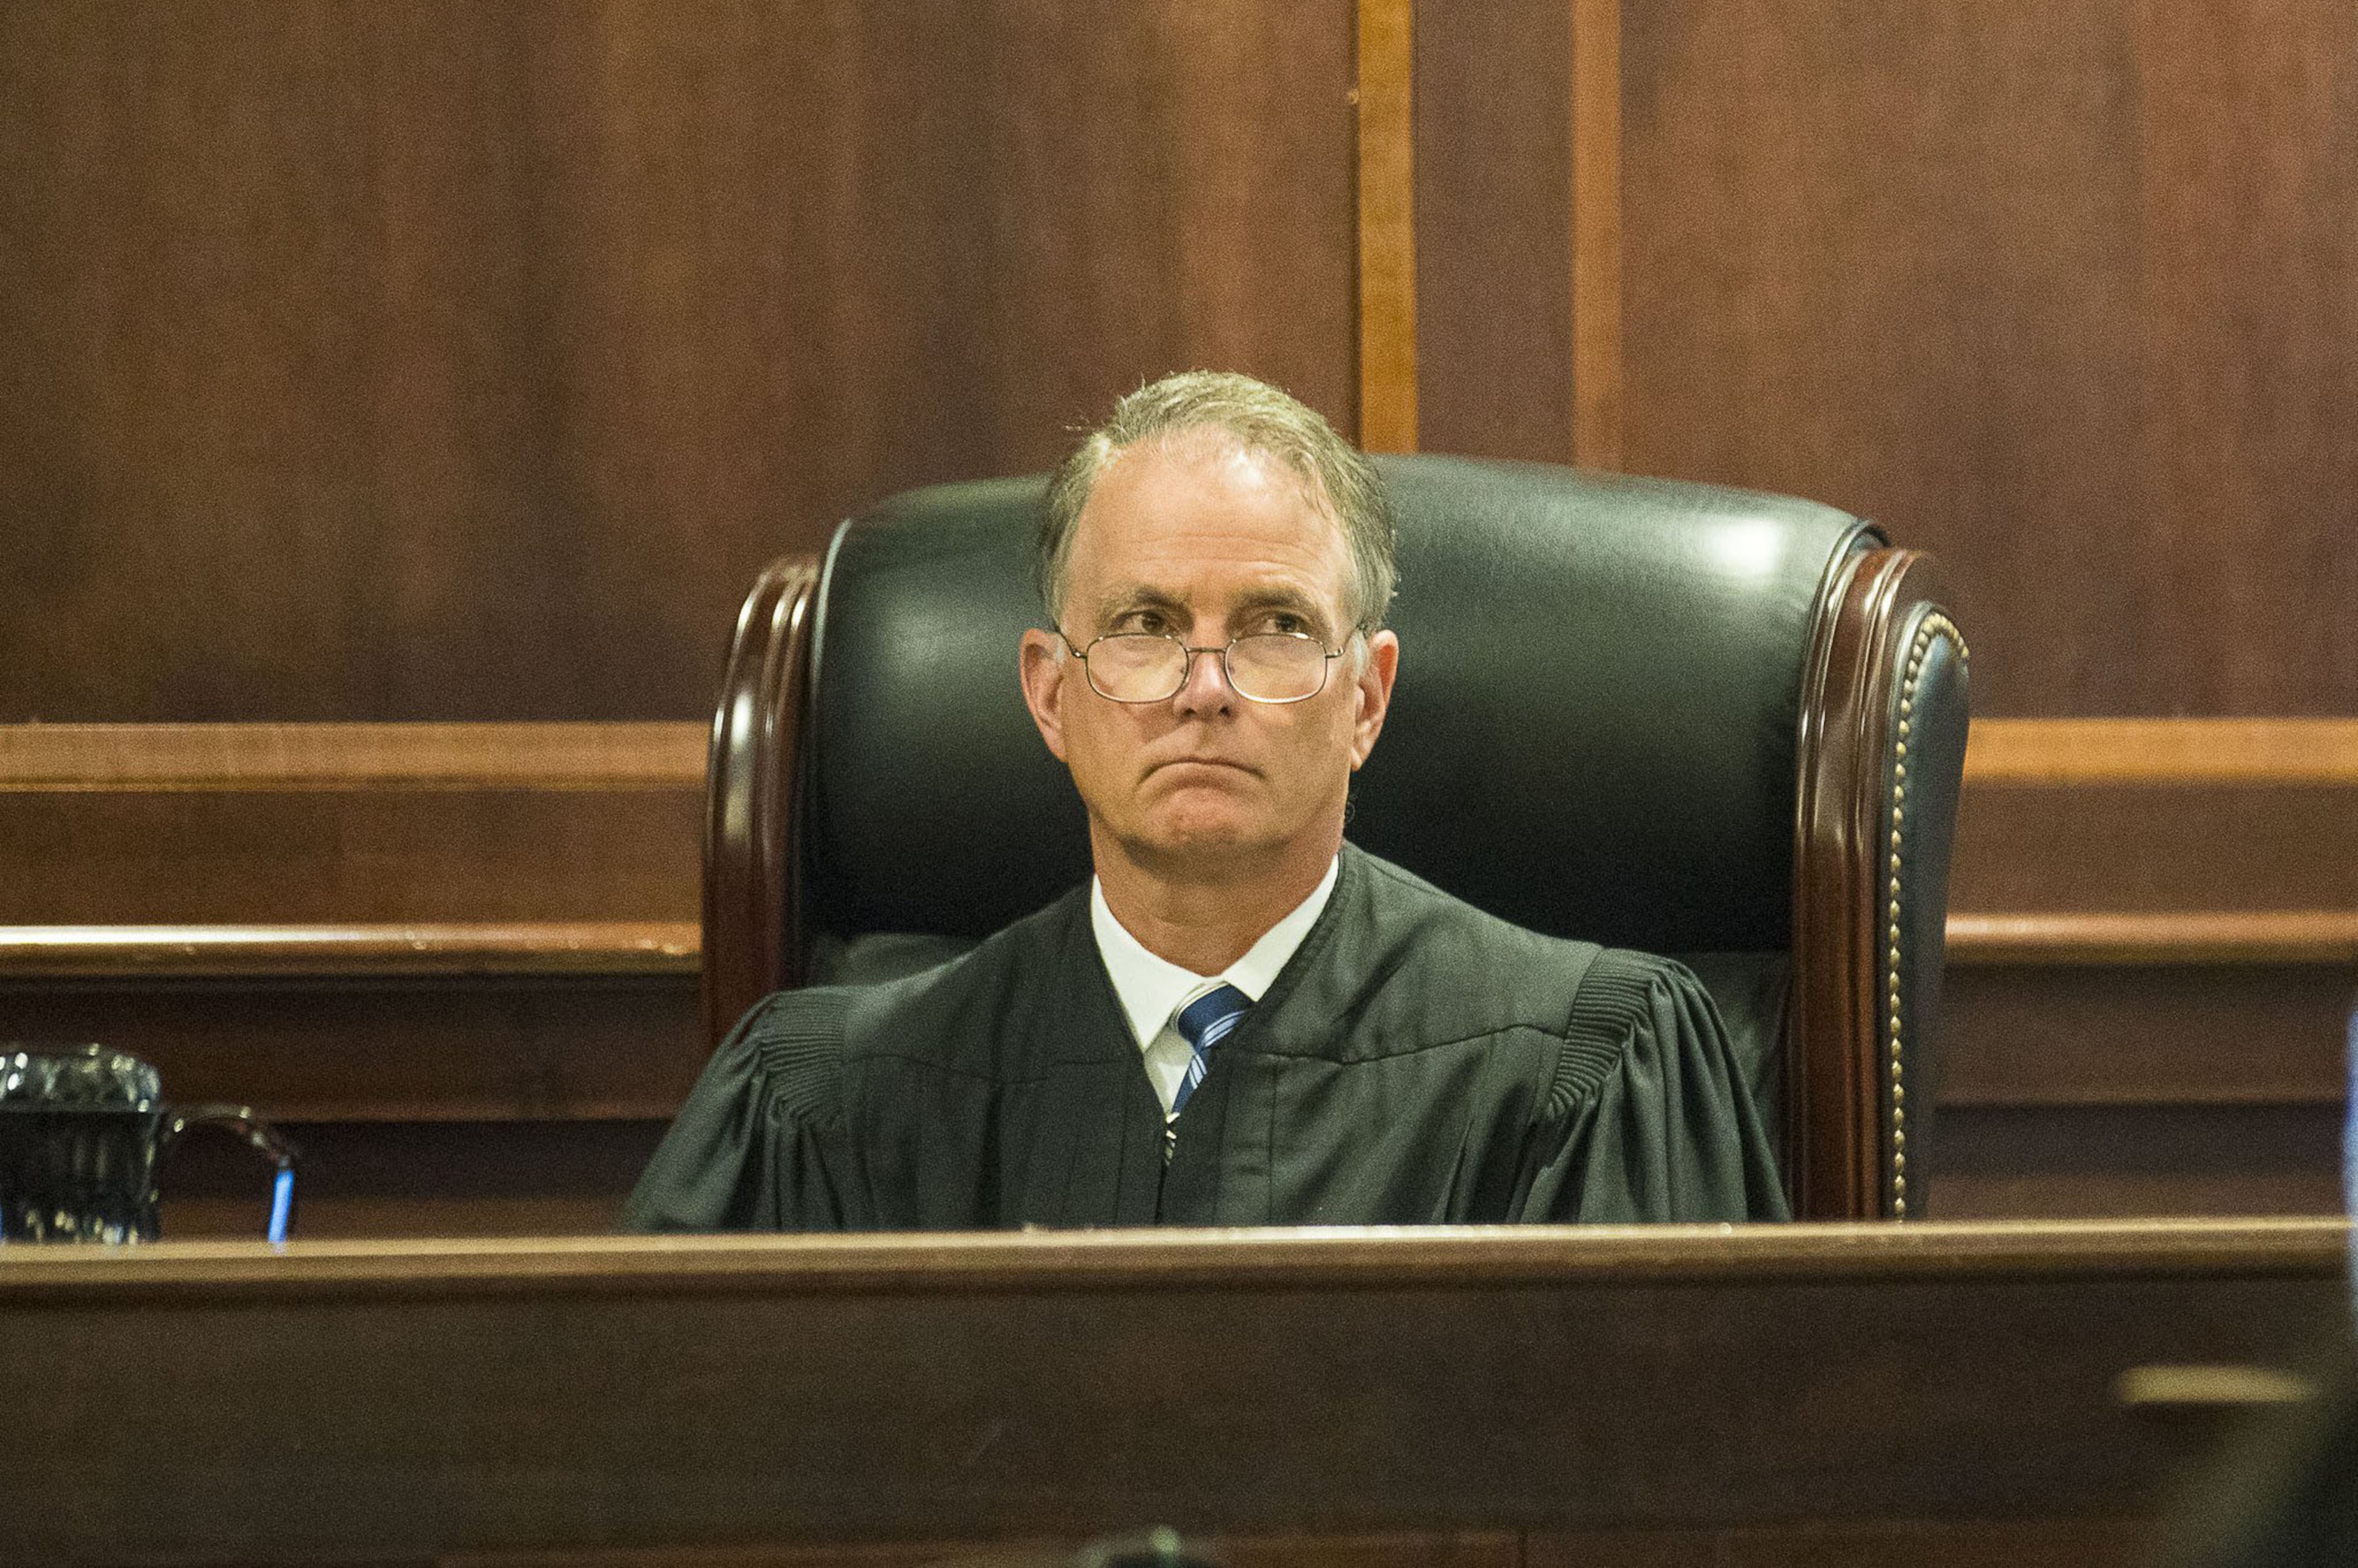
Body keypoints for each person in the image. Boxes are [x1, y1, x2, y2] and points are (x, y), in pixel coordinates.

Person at [623, 372, 1788, 1230]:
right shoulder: (825, 1103)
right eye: (1145, 626)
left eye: (1278, 628)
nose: (1207, 689)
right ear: (1051, 694)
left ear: (1367, 699)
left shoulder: (1583, 1074)